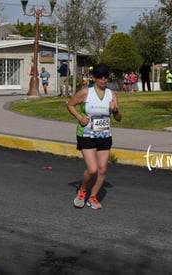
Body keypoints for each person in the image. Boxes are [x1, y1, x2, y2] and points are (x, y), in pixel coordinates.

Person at [67, 63, 122, 210]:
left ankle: (93, 197)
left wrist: (115, 110)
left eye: (106, 77)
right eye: (100, 77)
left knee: (102, 169)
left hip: (104, 135)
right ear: (93, 78)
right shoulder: (86, 92)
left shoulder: (112, 94)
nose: (103, 79)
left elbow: (119, 118)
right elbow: (70, 105)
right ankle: (82, 191)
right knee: (92, 169)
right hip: (86, 134)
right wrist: (80, 118)